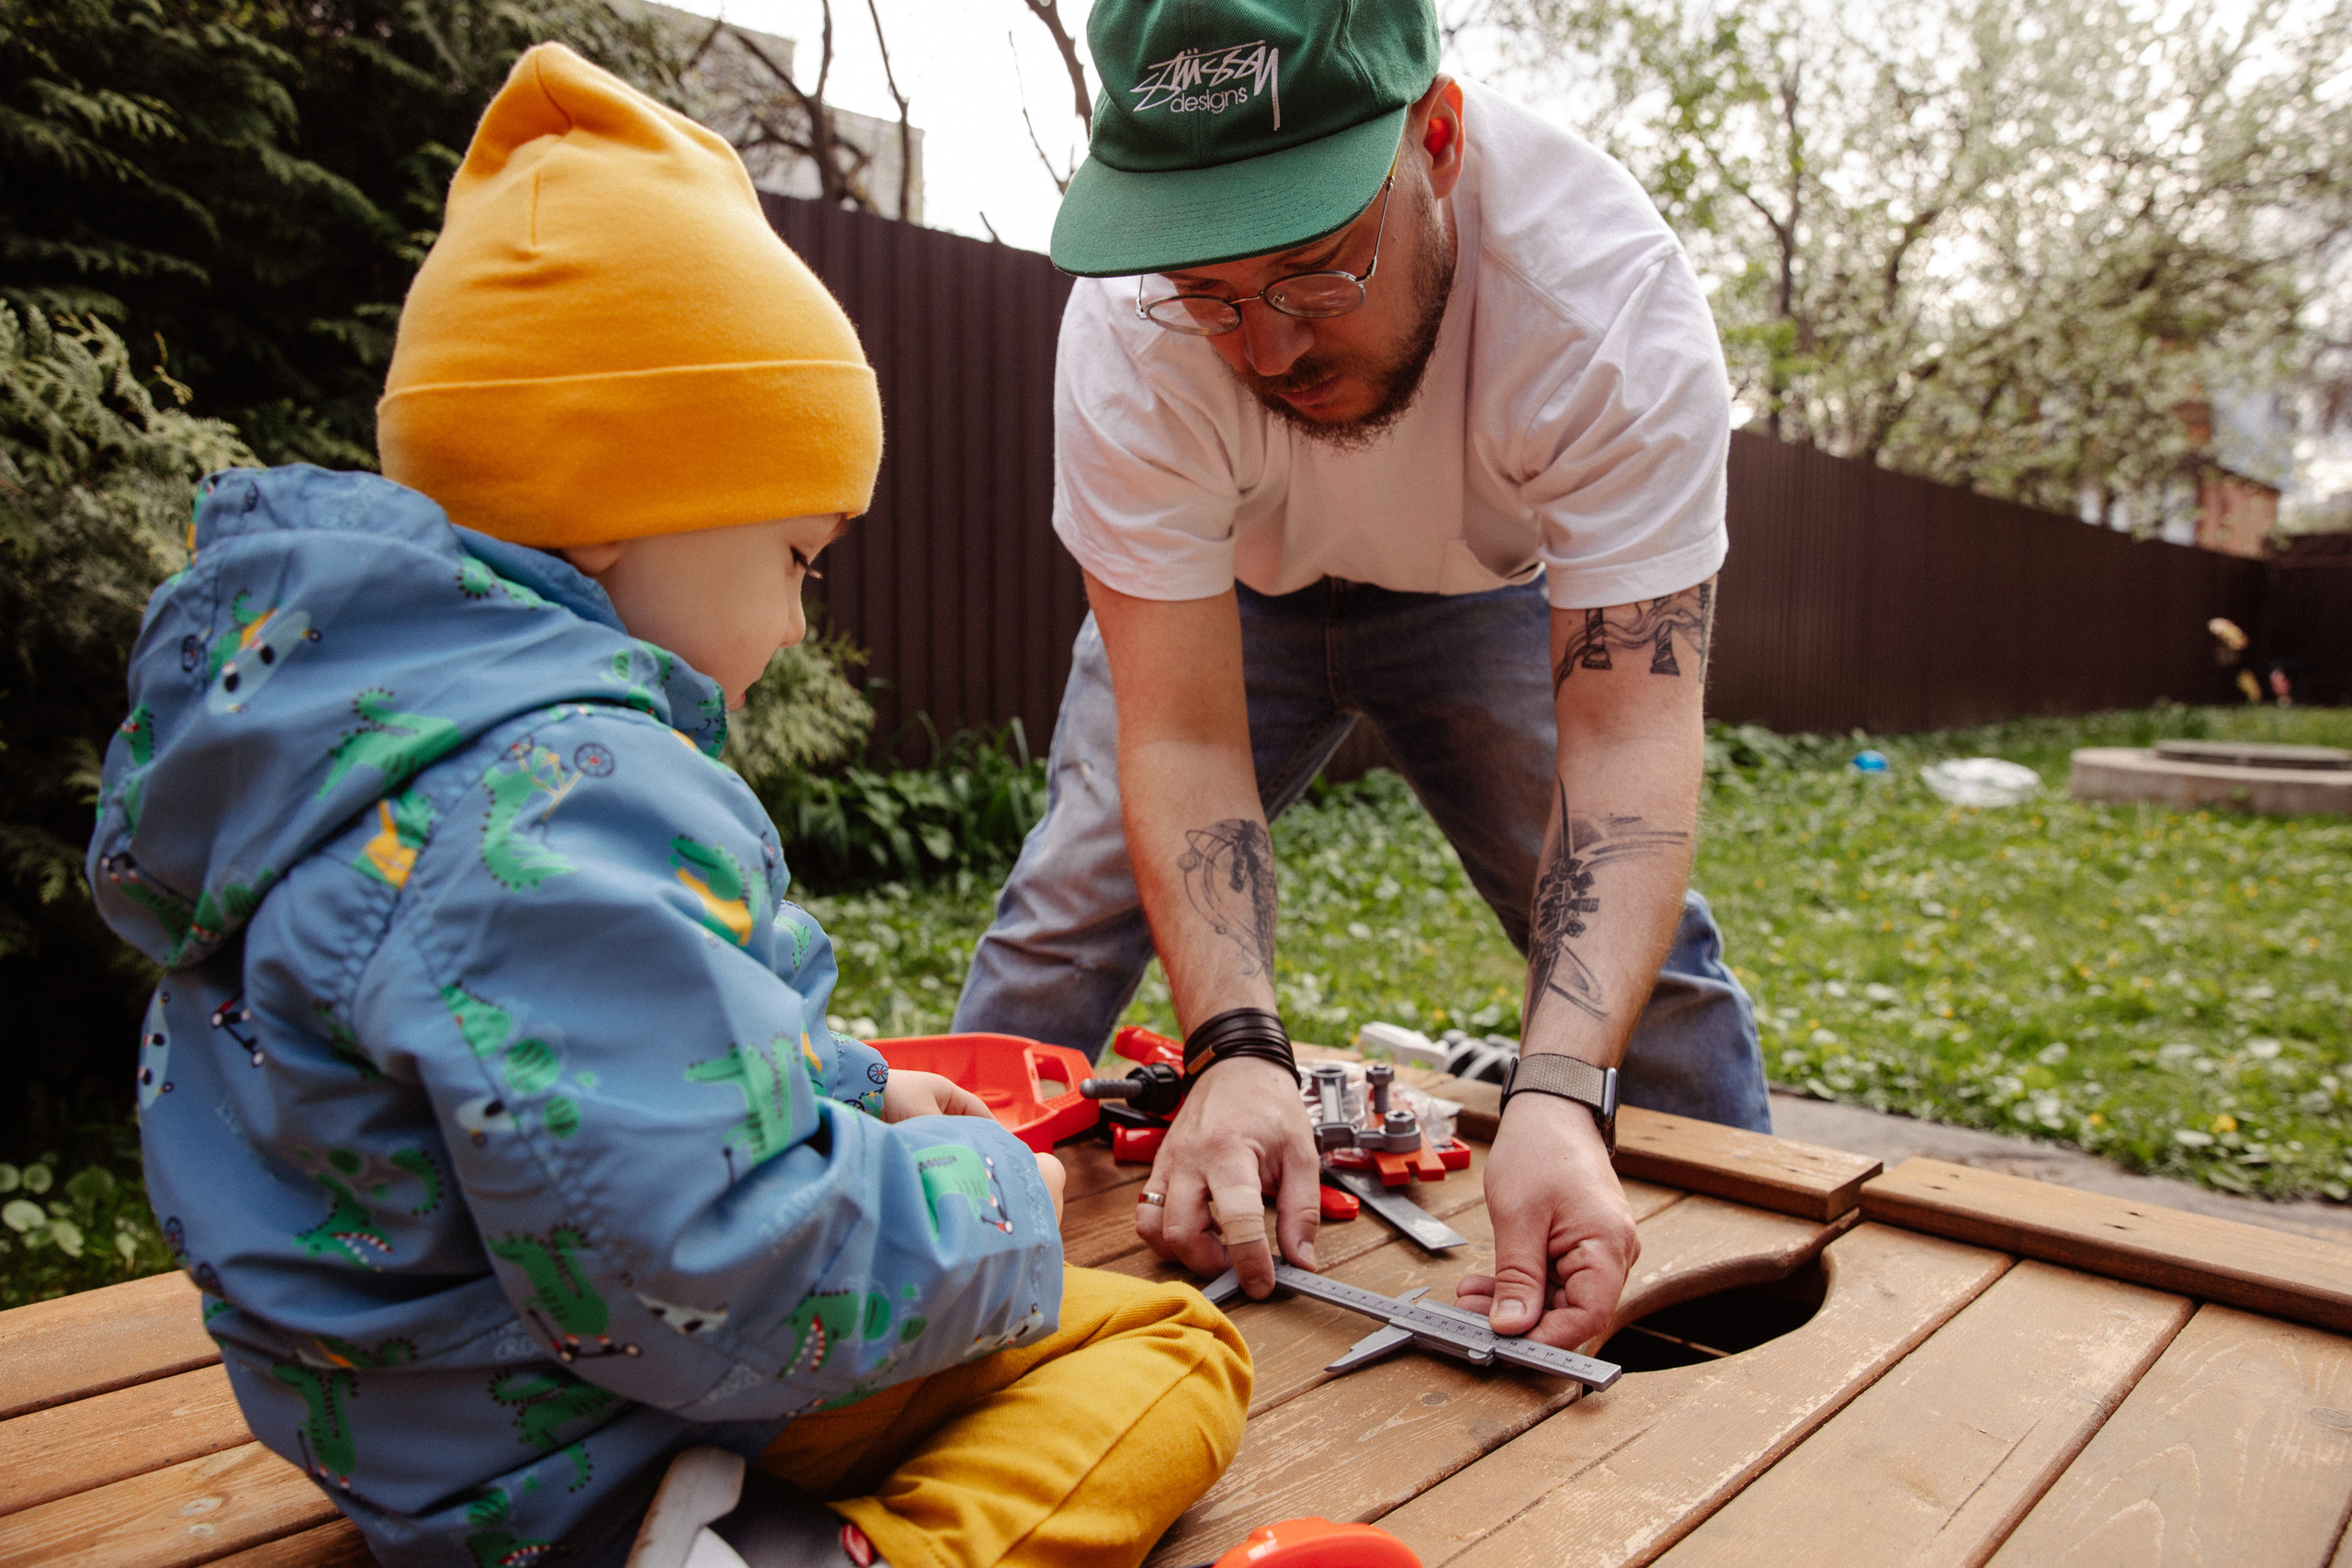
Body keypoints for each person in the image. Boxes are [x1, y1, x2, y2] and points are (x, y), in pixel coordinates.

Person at [86, 46, 1247, 1568]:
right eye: (799, 555)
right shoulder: (559, 799)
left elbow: (571, 1076)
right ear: (633, 493)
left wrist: (853, 1087)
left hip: (420, 1440)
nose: (799, 621)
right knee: (1165, 1348)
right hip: (580, 1434)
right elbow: (724, 1279)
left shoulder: (353, 746)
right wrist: (992, 1196)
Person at [953, 0, 1770, 1354]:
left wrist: (1559, 1094)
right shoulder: (1126, 327)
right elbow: (1178, 745)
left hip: (1487, 591)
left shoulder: (1607, 305)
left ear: (1435, 138)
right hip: (1229, 598)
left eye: (1316, 272)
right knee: (1067, 902)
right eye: (1210, 294)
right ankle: (926, 1255)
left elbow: (1628, 746)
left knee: (1649, 974)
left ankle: (1739, 1318)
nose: (1265, 350)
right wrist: (1238, 1047)